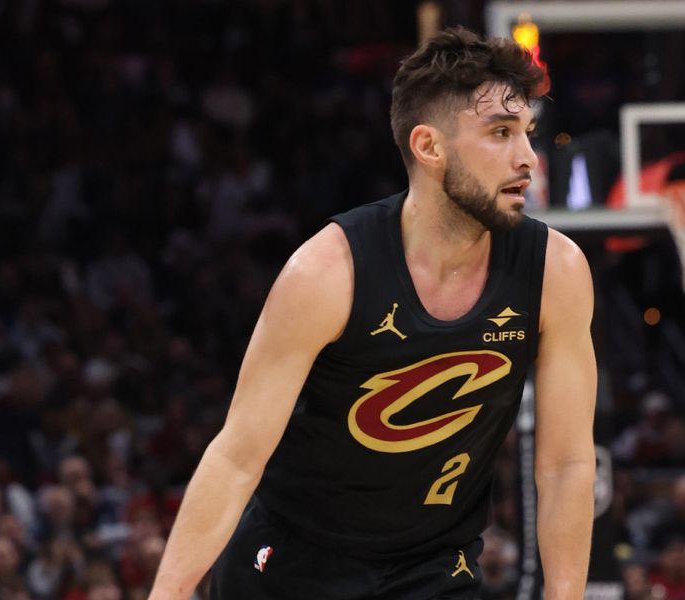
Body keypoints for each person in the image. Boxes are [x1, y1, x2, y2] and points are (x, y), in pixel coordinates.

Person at [148, 26, 596, 600]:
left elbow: (565, 466)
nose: (528, 158)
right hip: (295, 560)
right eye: (501, 133)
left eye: (527, 133)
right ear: (429, 147)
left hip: (434, 566)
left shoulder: (555, 271)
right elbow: (237, 458)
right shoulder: (326, 273)